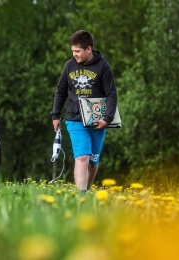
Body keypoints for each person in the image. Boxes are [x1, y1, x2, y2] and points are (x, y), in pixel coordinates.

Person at [50, 30, 118, 193]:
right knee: (82, 157)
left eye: (77, 51)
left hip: (97, 120)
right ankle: (82, 196)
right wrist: (55, 114)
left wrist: (107, 119)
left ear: (88, 49)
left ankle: (85, 188)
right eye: (73, 51)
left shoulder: (103, 66)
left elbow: (111, 94)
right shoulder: (69, 65)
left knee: (93, 161)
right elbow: (61, 91)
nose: (75, 55)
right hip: (74, 119)